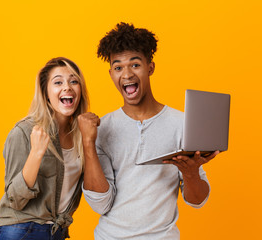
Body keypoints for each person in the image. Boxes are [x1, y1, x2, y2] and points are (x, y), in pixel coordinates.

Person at [78, 23, 219, 240]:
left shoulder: (182, 123)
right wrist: (88, 143)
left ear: (150, 68)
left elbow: (197, 200)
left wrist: (190, 173)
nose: (126, 74)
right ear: (111, 74)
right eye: (118, 67)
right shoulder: (101, 128)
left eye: (135, 65)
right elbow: (101, 204)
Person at [0, 57, 89, 240]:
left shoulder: (82, 137)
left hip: (55, 233)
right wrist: (36, 153)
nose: (67, 87)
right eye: (58, 82)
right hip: (21, 231)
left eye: (73, 81)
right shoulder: (24, 132)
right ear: (45, 92)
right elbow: (15, 199)